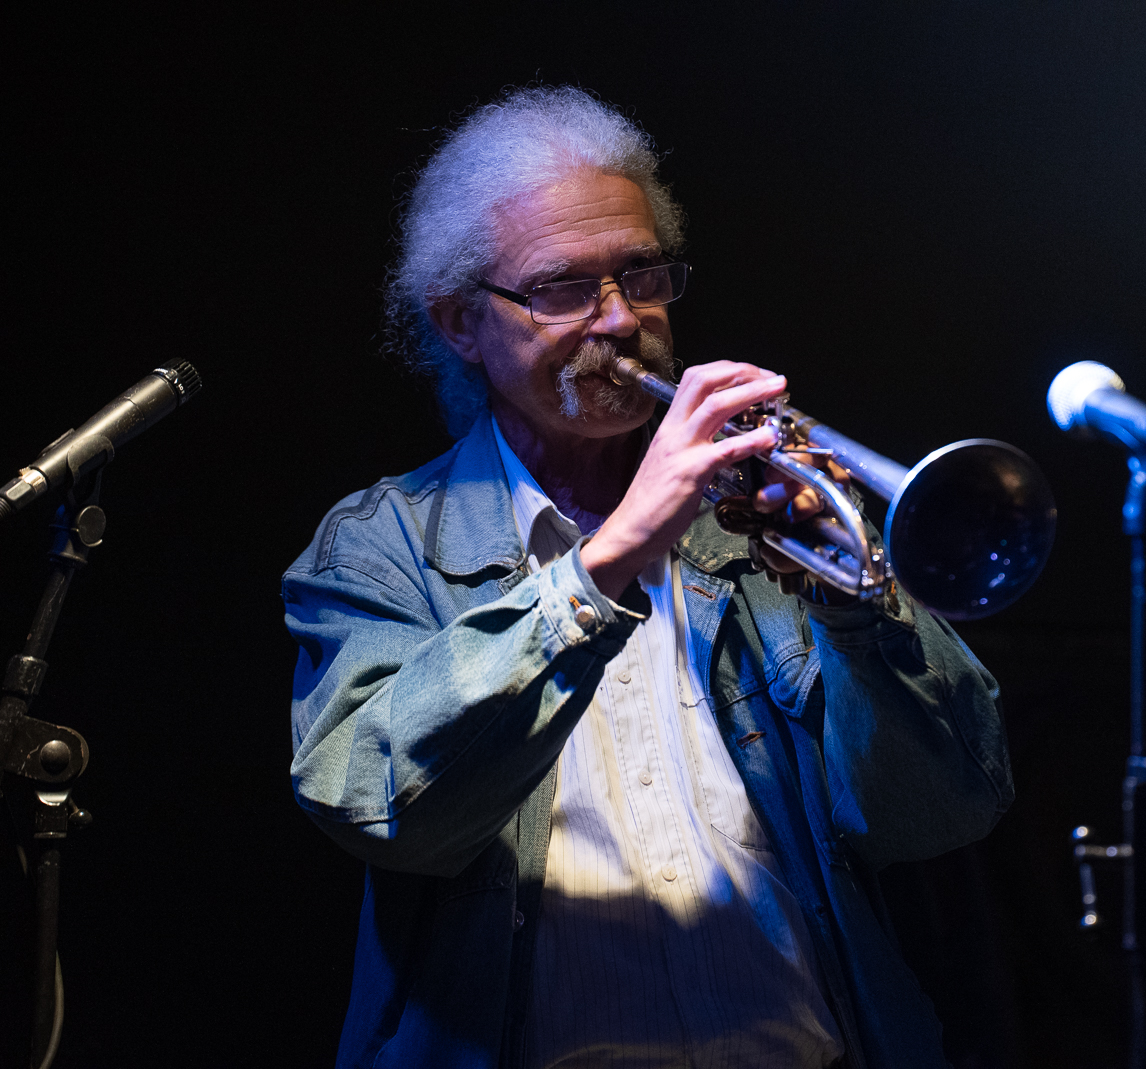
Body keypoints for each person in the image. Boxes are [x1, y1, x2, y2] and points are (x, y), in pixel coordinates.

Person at [283, 86, 1013, 1069]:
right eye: (561, 289)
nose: (622, 320)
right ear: (460, 322)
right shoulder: (378, 544)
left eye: (641, 275)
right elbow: (381, 805)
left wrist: (859, 612)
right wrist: (611, 557)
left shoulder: (756, 520)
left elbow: (947, 810)